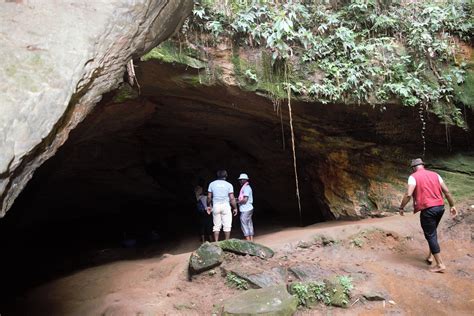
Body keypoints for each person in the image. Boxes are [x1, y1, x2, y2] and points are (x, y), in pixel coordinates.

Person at [398, 158, 457, 273]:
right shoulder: (435, 175)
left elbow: (408, 194)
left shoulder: (413, 176)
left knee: (430, 235)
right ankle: (430, 256)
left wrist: (401, 207)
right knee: (432, 232)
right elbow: (447, 192)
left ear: (413, 168)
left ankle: (440, 264)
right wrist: (452, 205)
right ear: (423, 166)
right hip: (440, 208)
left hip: (428, 210)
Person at [207, 170, 238, 241]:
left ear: (217, 176)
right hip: (225, 206)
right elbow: (232, 198)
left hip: (216, 206)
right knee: (227, 226)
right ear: (226, 176)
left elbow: (209, 197)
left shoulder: (212, 184)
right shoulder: (229, 185)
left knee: (216, 226)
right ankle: (226, 243)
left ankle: (216, 243)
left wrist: (208, 206)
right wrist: (235, 208)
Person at [237, 173, 254, 241]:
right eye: (240, 180)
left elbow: (245, 200)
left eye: (241, 180)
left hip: (245, 209)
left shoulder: (246, 188)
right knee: (249, 223)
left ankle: (248, 240)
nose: (240, 181)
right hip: (249, 208)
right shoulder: (246, 187)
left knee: (244, 224)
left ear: (245, 180)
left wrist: (237, 202)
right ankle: (251, 240)